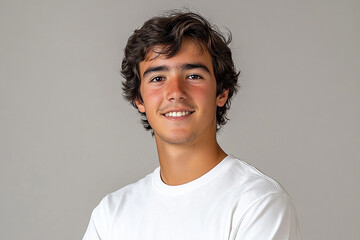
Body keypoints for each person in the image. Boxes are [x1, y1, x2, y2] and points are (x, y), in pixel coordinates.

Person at [83, 10, 301, 240]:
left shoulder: (258, 203)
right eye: (158, 79)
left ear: (222, 92)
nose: (175, 92)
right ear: (139, 100)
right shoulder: (111, 215)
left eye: (194, 76)